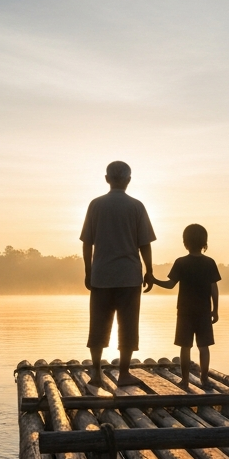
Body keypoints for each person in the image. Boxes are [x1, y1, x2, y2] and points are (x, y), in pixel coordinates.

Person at [80, 160, 155, 387]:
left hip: (101, 276)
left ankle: (96, 373)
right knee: (128, 325)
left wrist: (88, 271)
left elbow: (87, 243)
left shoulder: (96, 205)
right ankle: (123, 374)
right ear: (128, 180)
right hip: (129, 277)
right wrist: (149, 271)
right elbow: (145, 244)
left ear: (107, 179)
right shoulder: (136, 206)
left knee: (98, 325)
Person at [149, 223, 220, 389]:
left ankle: (185, 381)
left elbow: (170, 285)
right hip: (203, 311)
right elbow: (213, 289)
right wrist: (215, 309)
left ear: (185, 242)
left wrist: (154, 280)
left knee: (185, 347)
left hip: (185, 312)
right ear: (204, 243)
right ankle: (204, 379)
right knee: (204, 347)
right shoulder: (209, 262)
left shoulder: (181, 262)